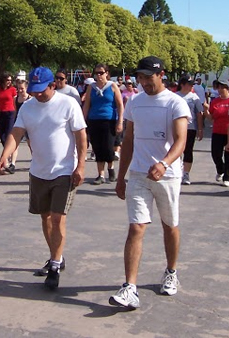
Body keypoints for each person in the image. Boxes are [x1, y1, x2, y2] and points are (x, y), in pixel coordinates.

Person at [110, 56, 190, 310]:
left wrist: (164, 163)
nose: (143, 81)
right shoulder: (135, 101)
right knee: (136, 228)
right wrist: (122, 177)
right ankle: (129, 288)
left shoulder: (175, 103)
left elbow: (181, 141)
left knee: (170, 226)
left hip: (167, 175)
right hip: (138, 176)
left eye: (148, 76)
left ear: (161, 75)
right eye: (140, 77)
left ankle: (171, 271)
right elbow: (130, 140)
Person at [0, 67, 87, 290]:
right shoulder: (27, 107)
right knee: (45, 217)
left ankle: (55, 266)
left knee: (58, 218)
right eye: (34, 89)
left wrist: (81, 166)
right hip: (38, 171)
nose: (37, 94)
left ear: (52, 85)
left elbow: (81, 136)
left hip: (64, 171)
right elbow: (16, 133)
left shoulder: (68, 104)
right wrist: (5, 154)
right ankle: (56, 255)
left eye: (41, 90)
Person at [83, 64, 124, 184]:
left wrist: (120, 121)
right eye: (96, 73)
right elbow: (86, 105)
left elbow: (120, 105)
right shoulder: (91, 87)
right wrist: (82, 121)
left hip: (109, 120)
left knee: (108, 146)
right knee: (97, 147)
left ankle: (110, 168)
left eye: (101, 73)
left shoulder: (112, 86)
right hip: (94, 120)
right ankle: (100, 174)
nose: (99, 75)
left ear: (107, 73)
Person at [207, 81, 229, 187]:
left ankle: (227, 177)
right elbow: (211, 118)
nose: (219, 89)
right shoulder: (215, 101)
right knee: (216, 154)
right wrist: (206, 111)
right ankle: (220, 170)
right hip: (217, 131)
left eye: (221, 87)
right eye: (218, 87)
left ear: (227, 88)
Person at [176, 75, 205, 186]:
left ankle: (186, 173)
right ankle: (177, 171)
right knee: (177, 150)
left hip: (190, 128)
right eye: (188, 84)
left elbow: (199, 113)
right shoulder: (175, 96)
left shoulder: (194, 97)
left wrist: (200, 129)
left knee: (188, 150)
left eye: (191, 84)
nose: (191, 86)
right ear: (182, 84)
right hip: (176, 127)